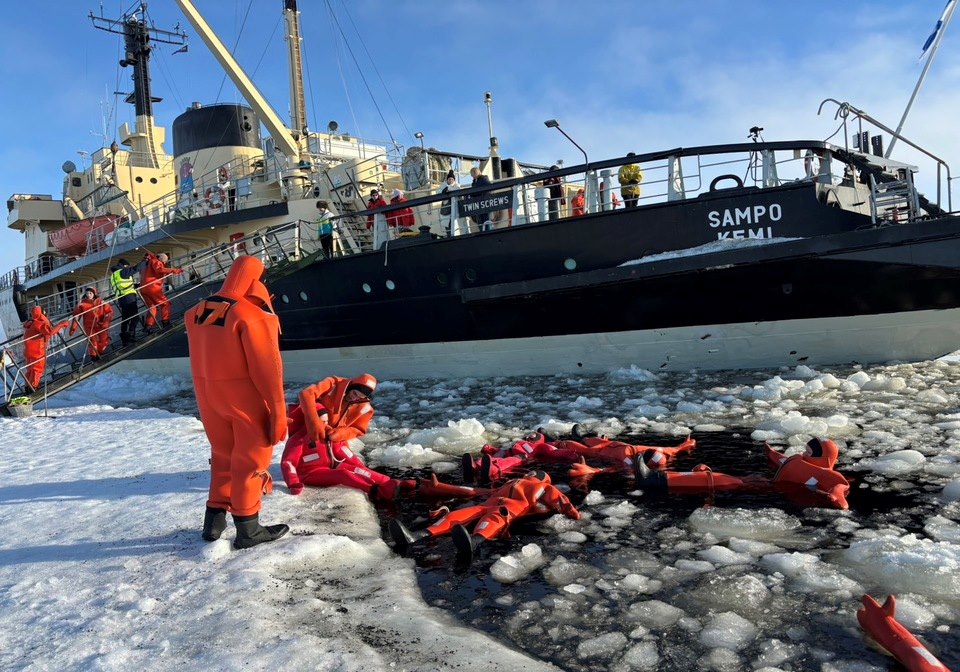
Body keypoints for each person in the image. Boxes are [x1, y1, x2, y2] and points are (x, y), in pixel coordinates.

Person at [185, 255, 289, 549]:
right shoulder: (252, 314)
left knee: (222, 456)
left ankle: (214, 522)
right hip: (244, 398)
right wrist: (278, 411)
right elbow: (267, 369)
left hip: (209, 398)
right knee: (251, 461)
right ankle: (248, 529)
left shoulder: (194, 312)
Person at [281, 373, 479, 501]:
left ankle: (398, 485)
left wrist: (340, 434)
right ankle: (378, 494)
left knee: (360, 470)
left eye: (359, 397)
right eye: (354, 393)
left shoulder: (358, 412)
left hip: (333, 451)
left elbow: (357, 433)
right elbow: (288, 462)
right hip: (311, 471)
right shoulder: (301, 437)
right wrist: (294, 483)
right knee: (346, 474)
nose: (354, 398)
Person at [389, 469, 581, 563]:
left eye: (536, 473)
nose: (532, 474)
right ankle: (417, 536)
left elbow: (561, 500)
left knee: (494, 519)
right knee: (456, 515)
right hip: (487, 504)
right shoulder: (511, 482)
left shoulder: (544, 487)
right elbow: (483, 491)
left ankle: (475, 541)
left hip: (511, 508)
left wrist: (573, 514)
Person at [635, 437, 851, 509]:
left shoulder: (830, 475)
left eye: (809, 451)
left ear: (823, 455)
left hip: (772, 490)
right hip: (766, 482)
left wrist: (837, 500)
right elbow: (781, 461)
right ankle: (659, 479)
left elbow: (840, 489)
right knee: (715, 476)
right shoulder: (800, 461)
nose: (804, 453)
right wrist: (770, 452)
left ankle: (653, 480)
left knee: (721, 480)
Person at [21, 306, 69, 391]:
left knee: (30, 370)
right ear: (42, 312)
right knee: (37, 369)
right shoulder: (38, 323)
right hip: (37, 350)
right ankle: (34, 387)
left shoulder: (30, 323)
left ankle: (27, 387)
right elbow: (50, 331)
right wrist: (62, 324)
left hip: (28, 351)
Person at [141, 252, 183, 332]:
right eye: (164, 262)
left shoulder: (147, 263)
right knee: (165, 304)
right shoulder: (156, 261)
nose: (164, 263)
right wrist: (174, 270)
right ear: (162, 259)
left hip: (143, 288)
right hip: (153, 287)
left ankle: (148, 326)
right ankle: (165, 322)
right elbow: (160, 269)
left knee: (152, 307)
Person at [69, 287, 113, 361]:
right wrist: (73, 329)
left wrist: (106, 322)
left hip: (100, 324)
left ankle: (101, 352)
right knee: (93, 341)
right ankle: (93, 357)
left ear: (94, 294)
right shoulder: (82, 304)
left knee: (104, 339)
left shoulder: (100, 301)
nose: (89, 295)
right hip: (89, 326)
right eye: (87, 293)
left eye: (90, 293)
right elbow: (76, 316)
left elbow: (109, 311)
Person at [109, 258, 140, 346]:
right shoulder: (122, 271)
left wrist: (135, 285)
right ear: (125, 265)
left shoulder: (114, 274)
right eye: (127, 266)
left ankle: (124, 338)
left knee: (125, 318)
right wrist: (145, 261)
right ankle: (131, 334)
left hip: (121, 299)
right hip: (129, 298)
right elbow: (135, 269)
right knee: (135, 317)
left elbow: (122, 285)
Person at [438, 170, 459, 234]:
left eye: (452, 179)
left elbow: (457, 190)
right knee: (447, 228)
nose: (450, 180)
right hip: (446, 211)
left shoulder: (456, 186)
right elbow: (438, 191)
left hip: (454, 211)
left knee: (454, 227)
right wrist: (445, 187)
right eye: (449, 179)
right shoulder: (444, 186)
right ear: (447, 180)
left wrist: (448, 188)